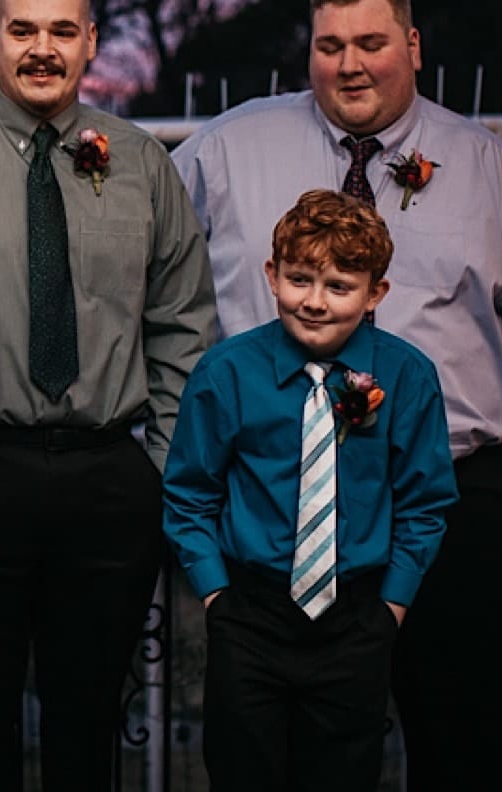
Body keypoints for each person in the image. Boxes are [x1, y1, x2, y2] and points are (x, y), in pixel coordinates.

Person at [172, 0, 502, 791]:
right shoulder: (229, 147)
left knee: (460, 739)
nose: (350, 64)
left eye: (371, 42)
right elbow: (147, 261)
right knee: (289, 759)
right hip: (275, 498)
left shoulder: (485, 164)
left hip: (449, 490)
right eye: (330, 46)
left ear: (411, 45)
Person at [0, 0, 216, 791]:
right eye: (22, 29)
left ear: (91, 42)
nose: (42, 48)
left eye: (62, 30)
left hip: (108, 479)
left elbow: (183, 321)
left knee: (88, 730)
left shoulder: (141, 164)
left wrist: (160, 466)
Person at [164, 189, 458, 792]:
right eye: (300, 280)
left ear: (376, 292)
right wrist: (217, 597)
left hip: (356, 619)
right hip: (250, 614)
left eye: (340, 286)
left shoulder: (407, 376)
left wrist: (390, 609)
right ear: (272, 276)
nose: (316, 303)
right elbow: (190, 493)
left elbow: (425, 503)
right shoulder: (225, 373)